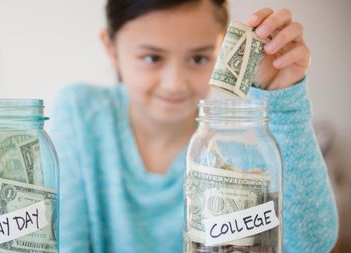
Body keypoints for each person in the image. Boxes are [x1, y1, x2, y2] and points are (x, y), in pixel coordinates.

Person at [50, 0, 339, 252]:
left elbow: (310, 245)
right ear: (111, 49)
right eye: (152, 58)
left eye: (198, 58)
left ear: (223, 48)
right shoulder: (79, 111)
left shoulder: (238, 134)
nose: (175, 84)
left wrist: (284, 104)